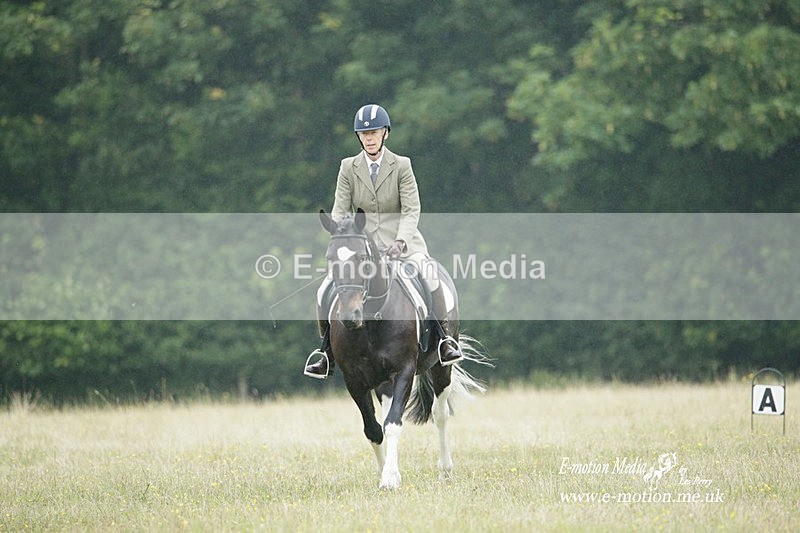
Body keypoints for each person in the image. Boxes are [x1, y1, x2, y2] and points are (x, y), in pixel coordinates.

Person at [304, 103, 462, 378]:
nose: (369, 137)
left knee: (430, 275)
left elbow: (412, 209)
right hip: (359, 247)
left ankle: (443, 339)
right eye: (364, 133)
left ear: (385, 133)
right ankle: (326, 352)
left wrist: (401, 241)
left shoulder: (402, 165)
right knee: (324, 289)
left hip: (403, 243)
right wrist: (341, 232)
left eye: (374, 132)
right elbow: (340, 209)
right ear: (359, 137)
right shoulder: (347, 168)